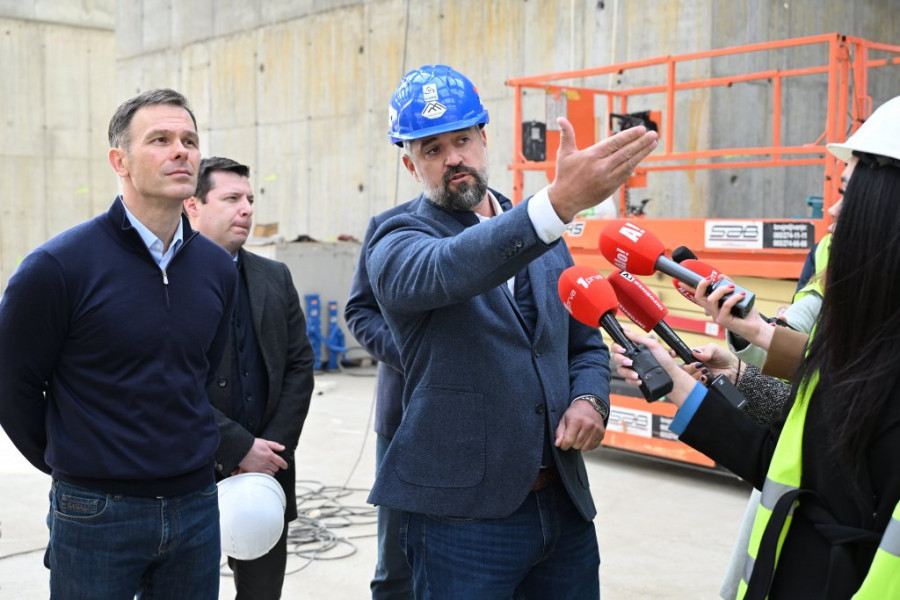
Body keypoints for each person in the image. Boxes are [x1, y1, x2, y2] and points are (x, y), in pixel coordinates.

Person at [365, 64, 658, 598]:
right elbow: (452, 266)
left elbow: (584, 344)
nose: (453, 158)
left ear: (484, 138)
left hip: (562, 505)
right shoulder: (397, 239)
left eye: (462, 140)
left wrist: (591, 399)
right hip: (461, 522)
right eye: (432, 149)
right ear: (410, 163)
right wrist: (555, 205)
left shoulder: (545, 236)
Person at [613, 125, 900, 597]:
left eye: (848, 194)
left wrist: (753, 344)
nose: (831, 211)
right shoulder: (861, 341)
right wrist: (698, 380)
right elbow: (792, 458)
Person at [0, 89, 237, 599]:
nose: (181, 151)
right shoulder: (57, 267)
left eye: (189, 140)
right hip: (95, 511)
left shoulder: (218, 268)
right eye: (160, 139)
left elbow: (200, 373)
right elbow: (12, 386)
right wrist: (75, 461)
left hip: (196, 505)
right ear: (119, 161)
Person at [183, 157, 316, 600]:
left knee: (261, 592)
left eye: (250, 199)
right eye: (231, 198)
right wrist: (238, 448)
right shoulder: (167, 278)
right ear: (193, 206)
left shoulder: (274, 276)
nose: (246, 209)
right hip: (188, 473)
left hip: (268, 473)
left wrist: (269, 451)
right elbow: (164, 382)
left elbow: (299, 365)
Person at [345, 198, 419, 600]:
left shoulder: (505, 223)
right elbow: (360, 310)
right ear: (411, 167)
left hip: (484, 423)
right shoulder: (390, 225)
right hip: (404, 421)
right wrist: (416, 357)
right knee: (397, 560)